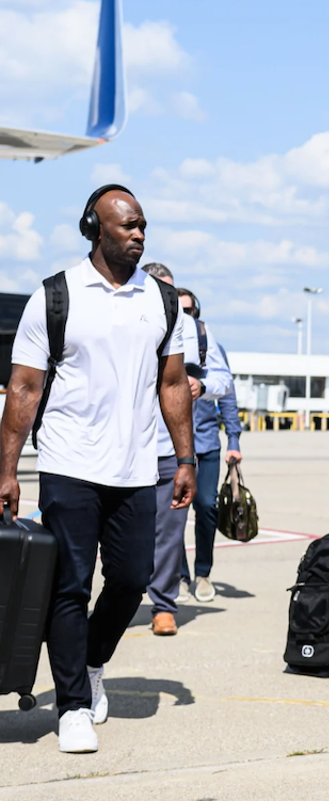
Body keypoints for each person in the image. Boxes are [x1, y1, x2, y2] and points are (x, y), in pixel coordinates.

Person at [0, 185, 195, 754]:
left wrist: (184, 459)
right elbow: (25, 387)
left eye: (142, 227)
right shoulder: (56, 296)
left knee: (132, 579)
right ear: (95, 227)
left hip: (136, 464)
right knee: (69, 584)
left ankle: (90, 663)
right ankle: (72, 707)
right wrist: (7, 470)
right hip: (68, 461)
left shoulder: (159, 300)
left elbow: (173, 383)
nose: (138, 235)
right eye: (128, 226)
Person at [138, 273, 231, 635]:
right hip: (123, 447)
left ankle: (163, 603)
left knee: (170, 530)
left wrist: (202, 384)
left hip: (170, 448)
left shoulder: (193, 330)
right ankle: (125, 592)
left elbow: (224, 381)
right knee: (123, 533)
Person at [174, 289, 242, 604]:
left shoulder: (209, 346)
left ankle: (203, 573)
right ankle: (180, 575)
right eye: (179, 310)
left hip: (206, 442)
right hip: (172, 447)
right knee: (174, 513)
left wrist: (234, 440)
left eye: (190, 310)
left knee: (206, 506)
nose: (185, 316)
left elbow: (227, 393)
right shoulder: (166, 347)